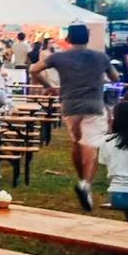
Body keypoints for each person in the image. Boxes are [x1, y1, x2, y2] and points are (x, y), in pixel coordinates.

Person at [30, 24, 113, 211]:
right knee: (90, 144)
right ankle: (86, 183)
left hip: (70, 104)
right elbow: (114, 77)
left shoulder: (58, 57)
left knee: (77, 142)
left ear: (68, 39)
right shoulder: (100, 57)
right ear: (87, 38)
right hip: (93, 102)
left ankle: (80, 177)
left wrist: (48, 85)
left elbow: (34, 69)